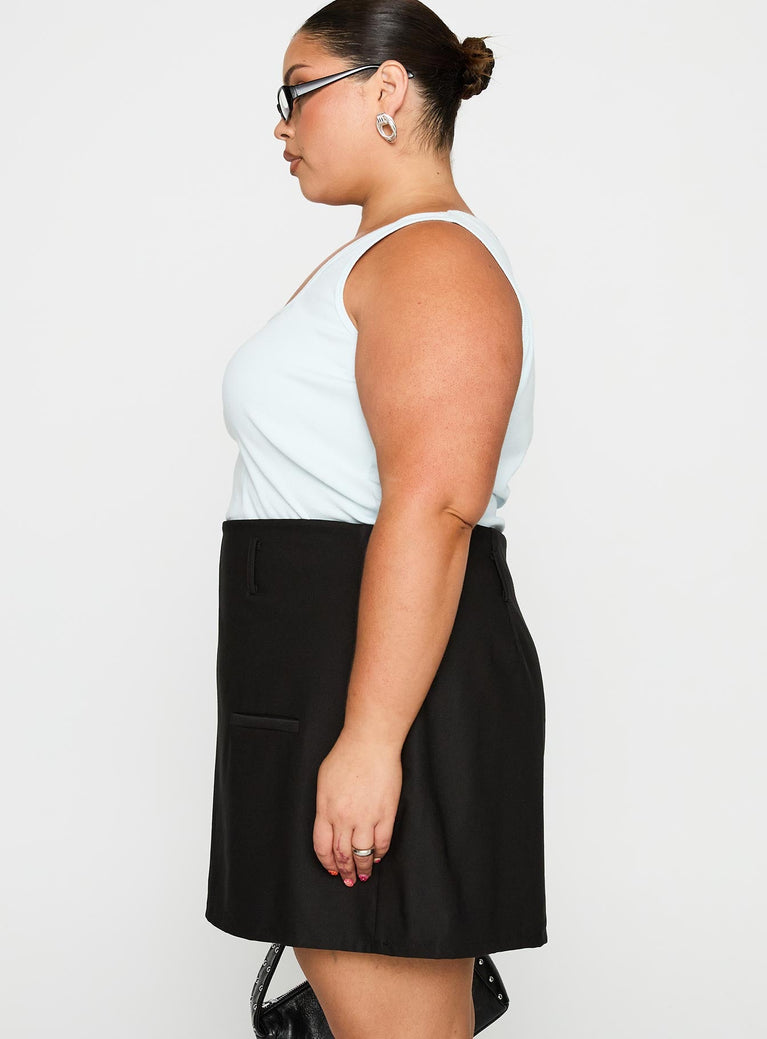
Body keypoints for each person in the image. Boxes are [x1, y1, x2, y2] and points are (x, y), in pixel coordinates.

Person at [205, 1, 547, 1035]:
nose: (281, 125)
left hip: (376, 686)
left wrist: (368, 741)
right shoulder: (383, 254)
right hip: (327, 677)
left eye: (297, 93)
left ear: (387, 89)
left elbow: (435, 506)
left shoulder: (432, 260)